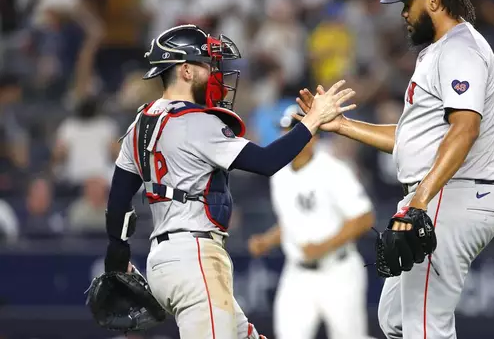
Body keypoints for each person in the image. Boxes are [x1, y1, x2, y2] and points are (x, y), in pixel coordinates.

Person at [295, 0, 494, 339]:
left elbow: (465, 129)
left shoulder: (461, 49)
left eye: (409, 2)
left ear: (435, 2)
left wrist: (420, 202)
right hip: (442, 191)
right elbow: (413, 140)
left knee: (426, 327)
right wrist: (339, 125)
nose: (404, 12)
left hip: (449, 193)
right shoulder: (441, 50)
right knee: (395, 320)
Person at [103, 24, 356, 339]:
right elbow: (266, 162)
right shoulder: (195, 122)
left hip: (163, 261)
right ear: (184, 70)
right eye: (206, 64)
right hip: (195, 259)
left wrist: (117, 257)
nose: (214, 72)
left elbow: (117, 202)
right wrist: (313, 121)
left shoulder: (140, 125)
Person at [247, 105, 375, 339]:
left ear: (313, 137)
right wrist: (267, 240)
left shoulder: (333, 170)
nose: (287, 136)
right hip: (297, 274)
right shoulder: (279, 173)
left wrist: (323, 246)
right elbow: (292, 220)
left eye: (294, 130)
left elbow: (364, 218)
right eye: (284, 130)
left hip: (338, 271)